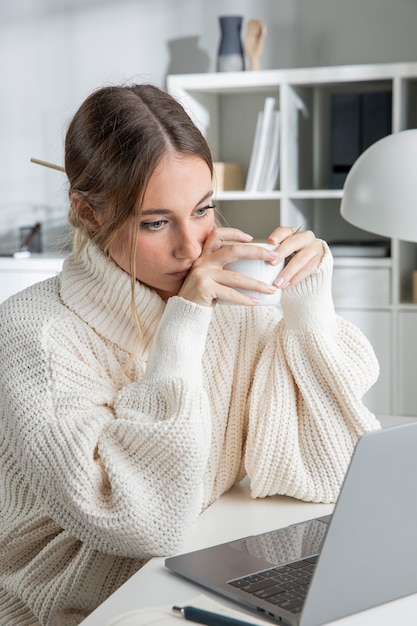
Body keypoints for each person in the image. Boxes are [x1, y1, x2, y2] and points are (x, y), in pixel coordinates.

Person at [0, 83, 380, 626]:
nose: (191, 245)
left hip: (190, 569)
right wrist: (185, 323)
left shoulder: (232, 303)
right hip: (70, 608)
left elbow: (324, 468)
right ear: (87, 214)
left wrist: (309, 304)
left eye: (202, 209)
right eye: (155, 222)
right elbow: (139, 522)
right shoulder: (33, 334)